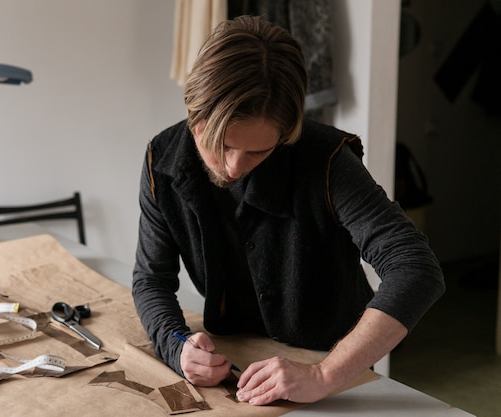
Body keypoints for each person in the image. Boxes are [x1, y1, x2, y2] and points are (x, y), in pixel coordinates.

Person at [132, 15, 444, 406]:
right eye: (222, 145)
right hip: (233, 358)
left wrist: (324, 374)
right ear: (194, 116)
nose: (232, 168)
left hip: (335, 363)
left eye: (258, 151)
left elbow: (415, 268)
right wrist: (176, 345)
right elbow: (151, 280)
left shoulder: (326, 161)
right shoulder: (161, 159)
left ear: (285, 133)